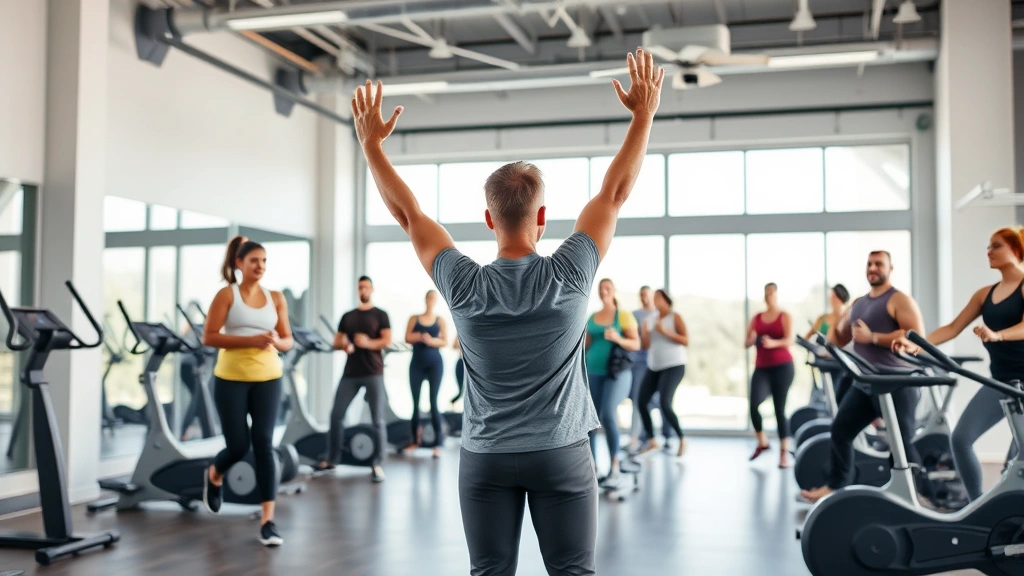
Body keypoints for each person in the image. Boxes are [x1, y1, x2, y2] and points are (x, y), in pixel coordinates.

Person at [350, 48, 664, 575]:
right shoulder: (571, 272)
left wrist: (372, 149)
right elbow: (615, 191)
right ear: (542, 216)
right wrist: (643, 116)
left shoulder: (463, 282)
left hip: (486, 458)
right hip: (560, 452)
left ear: (488, 219)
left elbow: (409, 215)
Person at [894, 228, 1024, 501]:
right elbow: (952, 328)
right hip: (1001, 382)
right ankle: (978, 506)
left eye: (996, 246)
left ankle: (1009, 515)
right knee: (960, 439)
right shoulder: (984, 294)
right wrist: (917, 344)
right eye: (988, 246)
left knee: (1017, 462)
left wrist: (998, 335)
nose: (988, 251)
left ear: (1016, 249)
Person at [801, 251, 926, 503]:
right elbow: (841, 338)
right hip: (866, 383)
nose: (873, 268)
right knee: (840, 430)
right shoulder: (859, 303)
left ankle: (916, 496)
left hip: (897, 383)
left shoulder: (899, 300)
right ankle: (836, 487)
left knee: (901, 445)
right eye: (869, 264)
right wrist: (837, 320)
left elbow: (917, 337)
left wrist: (875, 338)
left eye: (879, 264)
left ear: (891, 268)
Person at [201, 236, 293, 547]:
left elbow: (287, 340)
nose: (260, 266)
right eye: (254, 260)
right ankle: (215, 474)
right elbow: (209, 337)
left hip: (269, 377)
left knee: (264, 445)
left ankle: (268, 521)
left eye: (264, 261)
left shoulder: (276, 297)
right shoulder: (226, 295)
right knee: (239, 446)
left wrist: (274, 342)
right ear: (240, 264)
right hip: (230, 378)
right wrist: (249, 340)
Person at [315, 276, 391, 483]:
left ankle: (377, 463)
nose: (363, 290)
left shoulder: (380, 315)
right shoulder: (348, 316)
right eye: (360, 287)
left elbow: (386, 340)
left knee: (377, 418)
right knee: (336, 415)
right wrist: (344, 345)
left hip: (373, 371)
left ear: (372, 289)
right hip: (351, 373)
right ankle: (332, 459)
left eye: (366, 287)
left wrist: (367, 343)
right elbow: (337, 340)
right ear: (357, 290)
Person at [585, 279, 641, 484]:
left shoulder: (623, 315)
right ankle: (592, 468)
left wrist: (617, 338)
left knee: (607, 414)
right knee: (590, 421)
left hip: (616, 373)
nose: (604, 292)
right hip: (593, 372)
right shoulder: (592, 317)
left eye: (607, 288)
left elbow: (636, 343)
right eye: (601, 289)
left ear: (614, 291)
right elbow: (587, 344)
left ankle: (615, 467)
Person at [745, 282, 795, 468]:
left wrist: (772, 343)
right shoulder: (757, 317)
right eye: (766, 293)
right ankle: (763, 442)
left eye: (772, 293)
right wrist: (752, 340)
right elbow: (746, 342)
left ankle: (783, 452)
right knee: (754, 404)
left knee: (779, 409)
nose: (769, 296)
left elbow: (790, 339)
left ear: (777, 294)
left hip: (783, 367)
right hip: (762, 367)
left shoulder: (785, 315)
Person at [636, 289, 688, 457]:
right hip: (654, 367)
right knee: (641, 401)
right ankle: (652, 440)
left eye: (659, 298)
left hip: (674, 366)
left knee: (665, 403)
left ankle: (681, 438)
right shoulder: (649, 320)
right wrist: (645, 332)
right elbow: (645, 346)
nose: (656, 300)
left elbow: (686, 340)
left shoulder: (675, 317)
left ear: (667, 301)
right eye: (655, 298)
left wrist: (664, 331)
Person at [629, 286, 674, 450]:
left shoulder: (661, 316)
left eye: (647, 295)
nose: (644, 298)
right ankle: (643, 437)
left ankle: (668, 436)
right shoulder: (635, 315)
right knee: (640, 400)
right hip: (640, 364)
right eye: (641, 295)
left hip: (660, 363)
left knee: (664, 401)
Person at [405, 290, 449, 458]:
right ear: (425, 299)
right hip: (416, 364)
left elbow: (444, 340)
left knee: (433, 402)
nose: (430, 301)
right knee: (415, 403)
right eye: (429, 298)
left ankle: (438, 443)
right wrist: (419, 336)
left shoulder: (440, 320)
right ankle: (414, 440)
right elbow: (407, 337)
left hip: (435, 365)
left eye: (433, 299)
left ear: (436, 301)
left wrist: (431, 341)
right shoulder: (414, 318)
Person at [451, 336, 465, 404]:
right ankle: (452, 403)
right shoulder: (459, 334)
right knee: (461, 391)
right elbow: (454, 346)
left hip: (471, 364)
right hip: (461, 362)